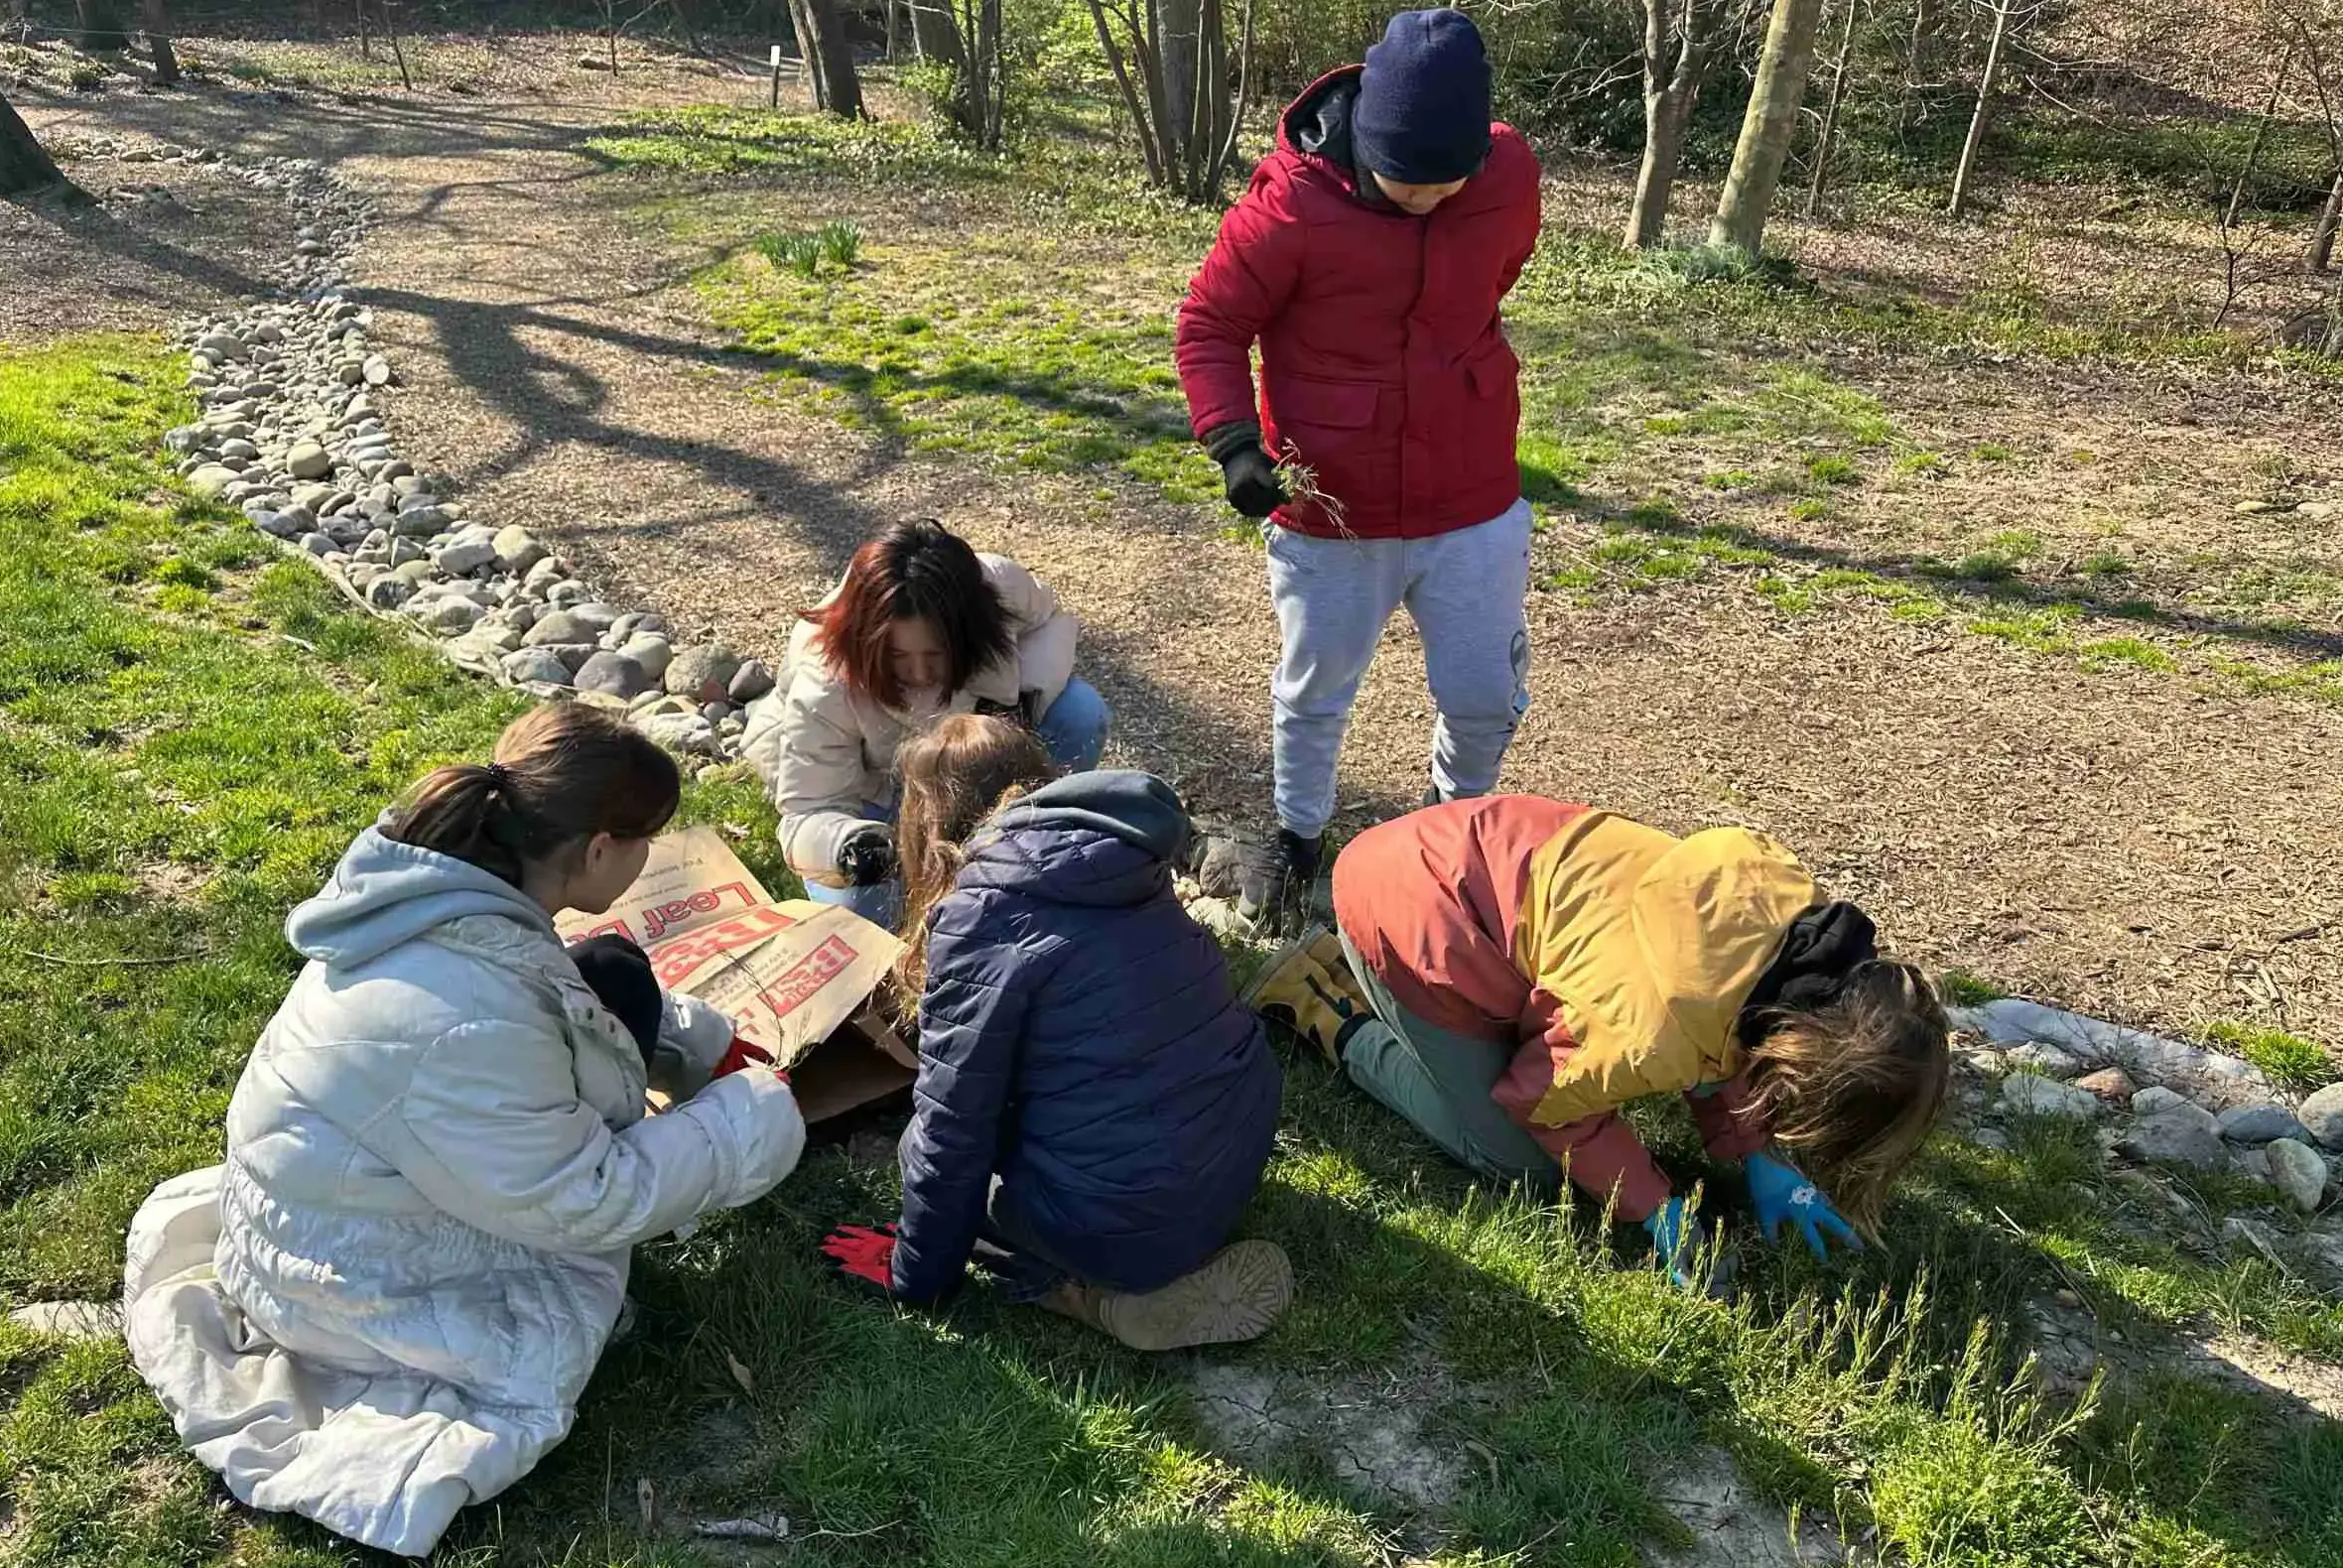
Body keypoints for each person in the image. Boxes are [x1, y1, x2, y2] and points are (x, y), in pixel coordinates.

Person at [122, 704, 805, 1558]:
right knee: (583, 1244)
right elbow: (586, 1199)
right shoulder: (468, 1018)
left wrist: (700, 1048)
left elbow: (574, 996)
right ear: (600, 850)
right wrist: (754, 1116)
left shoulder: (446, 904)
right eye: (644, 843)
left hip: (343, 1201)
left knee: (611, 967)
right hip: (356, 1284)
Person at [1248, 795, 1950, 1290]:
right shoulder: (1644, 1034)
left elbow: (1726, 1040)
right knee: (1514, 1159)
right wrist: (1653, 1206)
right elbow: (1542, 1099)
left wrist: (1750, 1152)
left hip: (1471, 849)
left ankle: (1362, 979)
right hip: (1413, 913)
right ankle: (1324, 1003)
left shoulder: (1794, 934)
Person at [1174, 8, 1543, 932]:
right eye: (1403, 181)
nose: (1425, 198)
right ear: (1364, 141)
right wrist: (1233, 443)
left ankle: (1457, 836)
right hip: (1332, 513)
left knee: (1484, 697)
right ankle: (1300, 836)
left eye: (1444, 181)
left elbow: (1496, 277)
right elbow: (1210, 326)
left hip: (1471, 498)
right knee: (1315, 690)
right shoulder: (1290, 207)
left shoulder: (1509, 178)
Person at [819, 715, 1291, 1350]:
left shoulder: (980, 912)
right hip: (1235, 1153)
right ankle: (1142, 1246)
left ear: (930, 824)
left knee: (918, 1152)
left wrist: (915, 1275)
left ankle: (1082, 1294)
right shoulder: (1119, 857)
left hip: (1129, 1214)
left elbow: (951, 1131)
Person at [741, 519, 1110, 931]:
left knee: (1080, 711)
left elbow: (1052, 622)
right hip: (872, 793)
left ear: (970, 633)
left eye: (936, 654)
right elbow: (809, 810)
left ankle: (1031, 835)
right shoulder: (825, 680)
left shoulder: (998, 588)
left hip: (966, 764)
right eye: (898, 657)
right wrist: (850, 844)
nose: (918, 673)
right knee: (872, 923)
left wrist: (1020, 707)